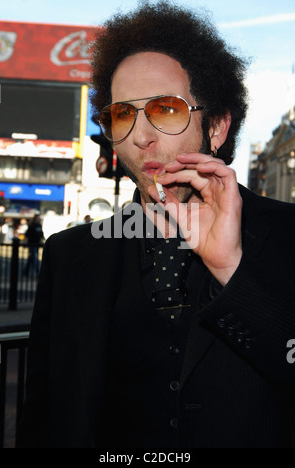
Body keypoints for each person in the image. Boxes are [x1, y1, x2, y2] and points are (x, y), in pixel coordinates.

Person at [18, 3, 295, 448]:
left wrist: (233, 272)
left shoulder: (287, 235)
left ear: (218, 127)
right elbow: (43, 420)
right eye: (123, 114)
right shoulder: (70, 256)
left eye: (166, 110)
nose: (141, 135)